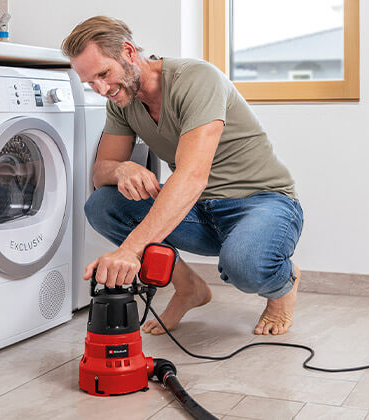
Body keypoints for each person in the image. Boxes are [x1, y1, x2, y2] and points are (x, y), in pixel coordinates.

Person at [62, 16, 304, 335]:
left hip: (261, 203)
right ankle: (189, 287)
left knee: (246, 265)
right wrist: (122, 168)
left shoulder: (196, 79)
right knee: (102, 204)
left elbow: (191, 177)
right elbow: (100, 173)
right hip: (200, 211)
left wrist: (130, 250)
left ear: (129, 52)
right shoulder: (121, 102)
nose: (101, 89)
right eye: (90, 82)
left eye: (104, 74)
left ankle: (283, 286)